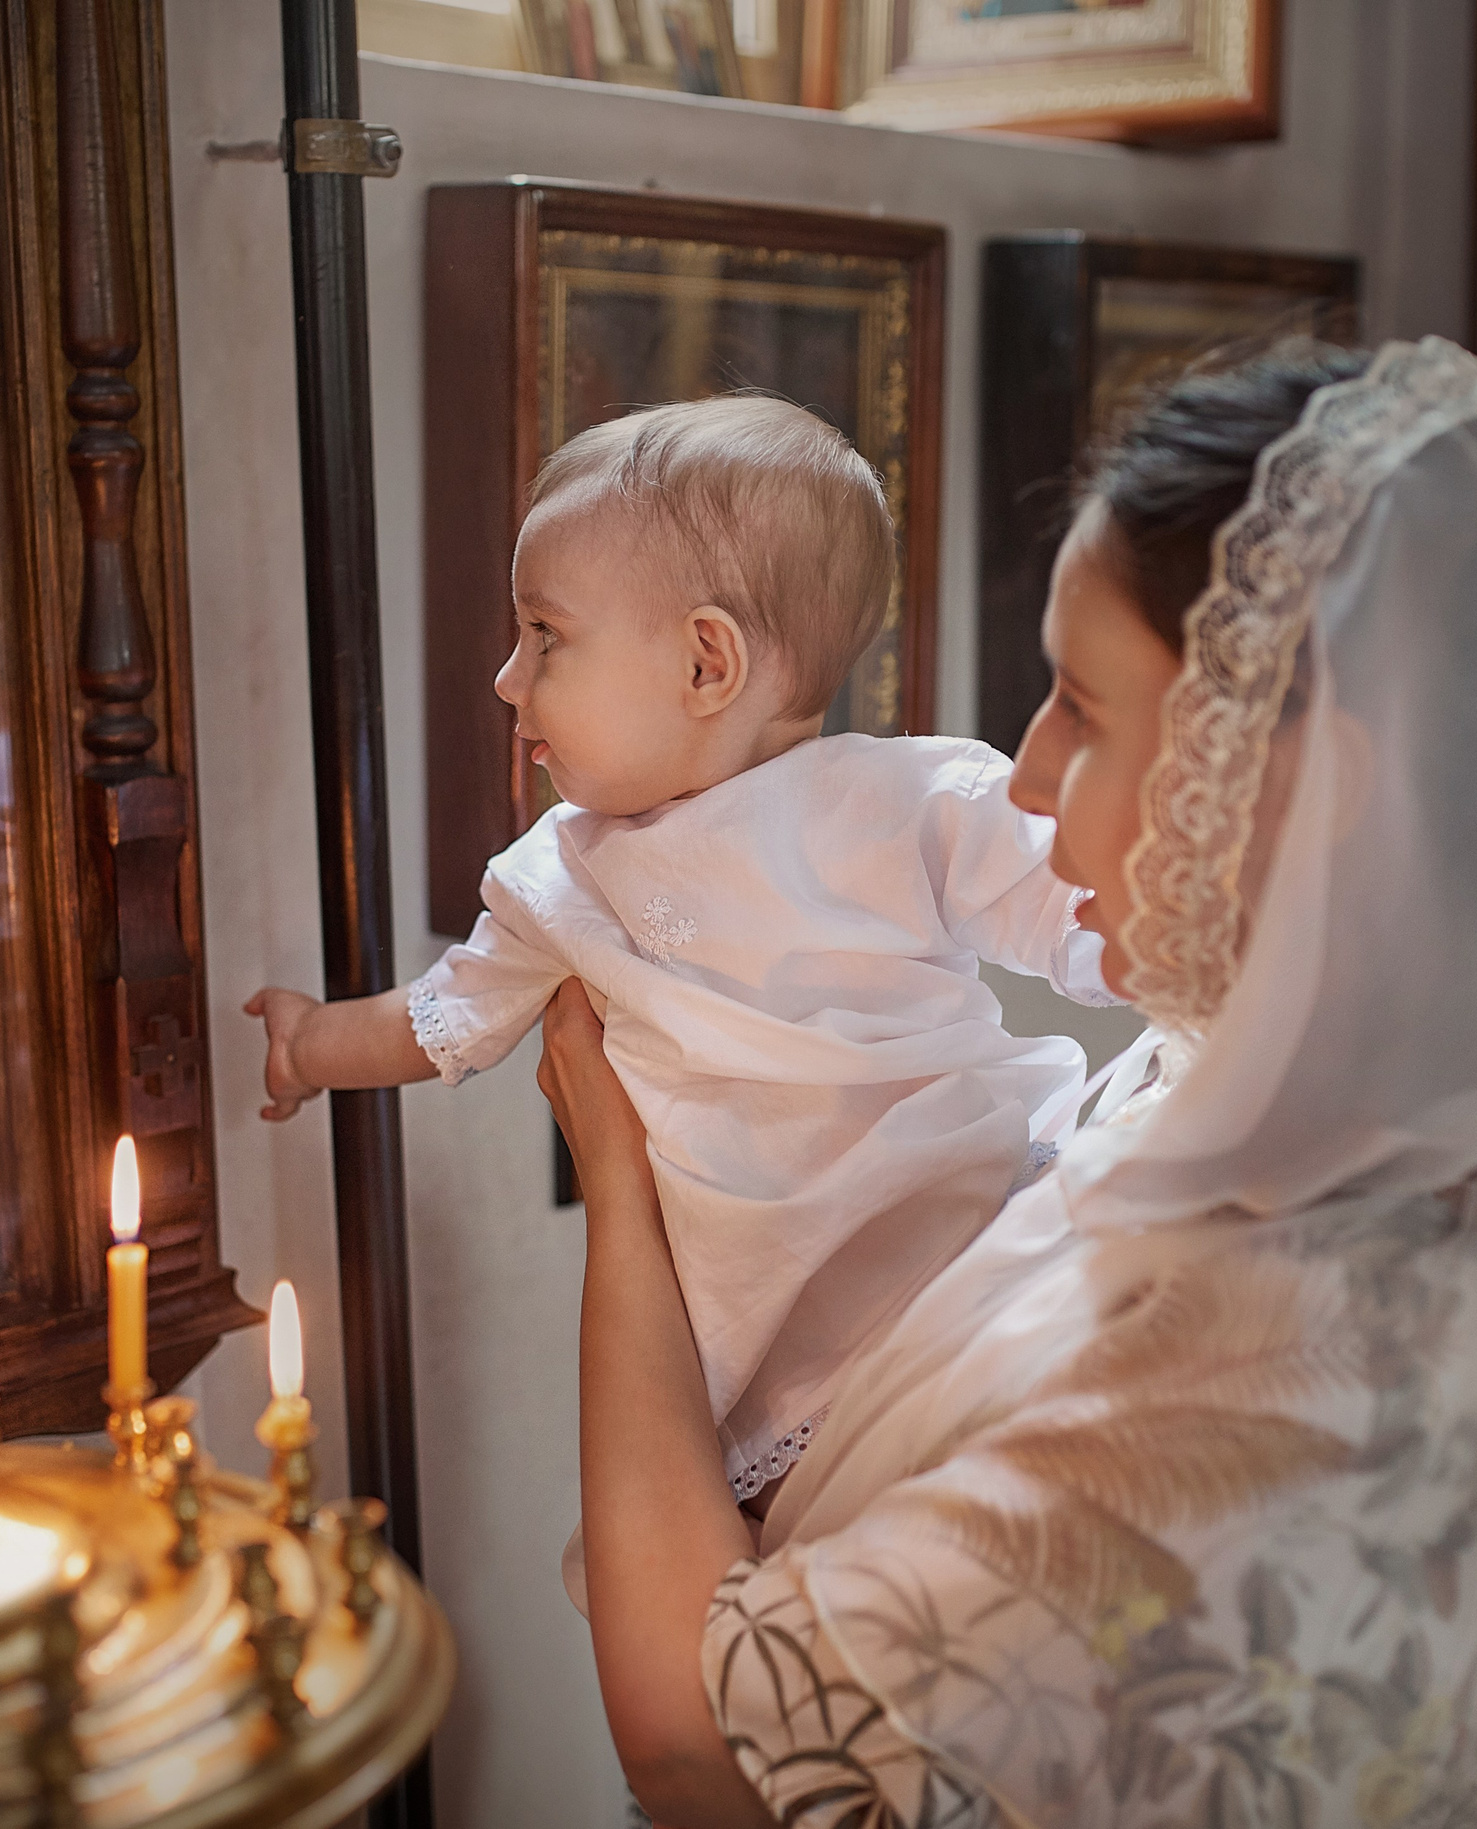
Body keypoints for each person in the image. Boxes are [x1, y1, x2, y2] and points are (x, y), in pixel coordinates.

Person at [540, 338, 1477, 1826]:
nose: (1020, 770)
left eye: (1079, 704)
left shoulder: (1291, 1365)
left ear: (1290, 778)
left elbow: (703, 1748)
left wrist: (621, 1184)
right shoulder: (1347, 1085)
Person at [248, 395, 1116, 1520]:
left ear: (708, 662)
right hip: (781, 1350)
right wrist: (311, 1042)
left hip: (980, 1253)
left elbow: (1090, 916)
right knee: (830, 1557)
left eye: (545, 635)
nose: (509, 678)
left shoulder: (908, 800)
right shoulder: (560, 873)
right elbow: (437, 1019)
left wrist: (1219, 977)